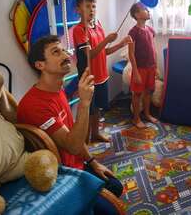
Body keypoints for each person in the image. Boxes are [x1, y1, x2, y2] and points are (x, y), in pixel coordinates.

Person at [17, 35, 123, 205]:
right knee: (112, 200)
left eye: (64, 50)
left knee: (115, 186)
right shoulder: (34, 105)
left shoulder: (57, 89)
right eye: (56, 52)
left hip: (78, 163)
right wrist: (84, 103)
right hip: (61, 175)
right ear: (40, 65)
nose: (66, 55)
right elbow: (73, 146)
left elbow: (72, 130)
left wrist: (93, 162)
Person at [73, 0, 131, 143]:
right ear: (78, 9)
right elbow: (89, 55)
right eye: (87, 6)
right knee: (88, 110)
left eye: (93, 6)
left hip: (101, 76)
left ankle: (95, 134)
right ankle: (83, 141)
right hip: (89, 78)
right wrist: (106, 40)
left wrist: (121, 44)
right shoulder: (79, 30)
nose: (91, 10)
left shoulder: (98, 25)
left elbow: (104, 52)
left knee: (97, 108)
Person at [127, 2, 159, 129]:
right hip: (140, 68)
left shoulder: (151, 30)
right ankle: (136, 118)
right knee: (137, 94)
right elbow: (131, 53)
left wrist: (155, 67)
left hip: (151, 67)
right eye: (145, 9)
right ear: (136, 14)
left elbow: (154, 49)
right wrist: (135, 72)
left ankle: (147, 114)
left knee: (149, 92)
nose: (148, 11)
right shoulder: (133, 32)